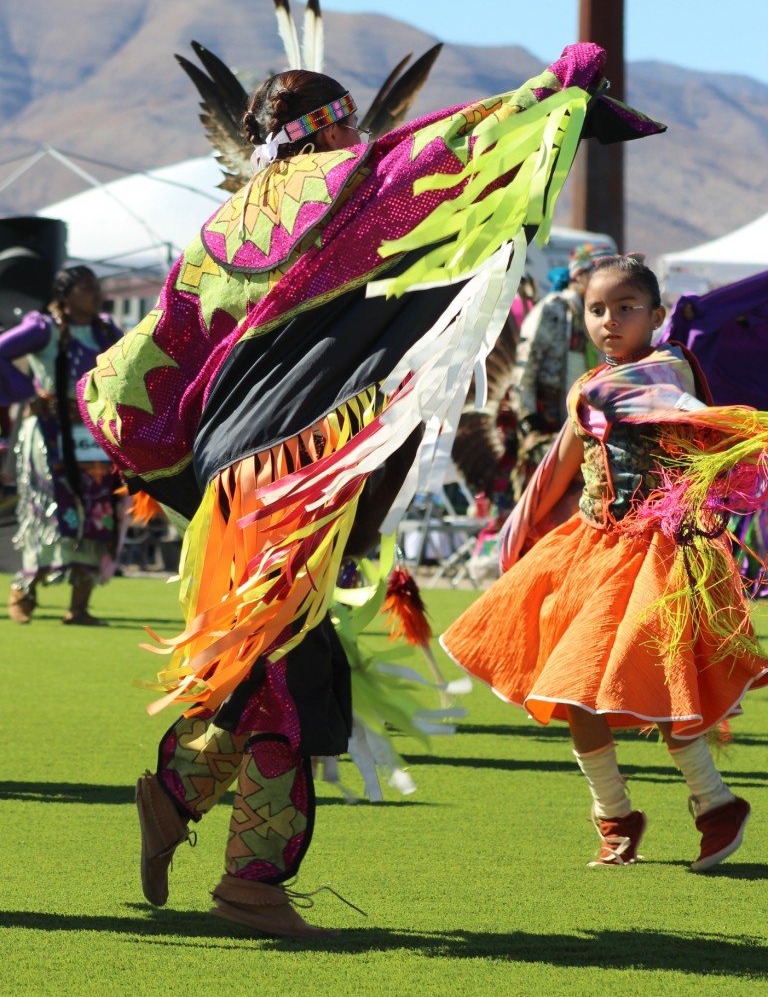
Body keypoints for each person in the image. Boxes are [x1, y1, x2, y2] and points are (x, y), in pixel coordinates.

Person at [78, 51, 665, 935]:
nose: (360, 135)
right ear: (328, 126)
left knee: (281, 669)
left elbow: (141, 368)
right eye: (349, 122)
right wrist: (554, 90)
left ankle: (177, 796)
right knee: (280, 677)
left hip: (240, 479)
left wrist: (178, 467)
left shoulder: (217, 236)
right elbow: (444, 150)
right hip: (296, 473)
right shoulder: (347, 182)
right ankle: (249, 881)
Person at [441, 254, 768, 871]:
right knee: (573, 689)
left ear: (657, 316)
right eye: (597, 310)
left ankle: (714, 803)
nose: (610, 320)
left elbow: (667, 406)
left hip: (664, 558)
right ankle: (615, 817)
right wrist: (519, 536)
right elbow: (557, 466)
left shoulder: (667, 372)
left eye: (626, 309)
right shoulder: (589, 389)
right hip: (591, 553)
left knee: (669, 686)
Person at [0, 266, 121, 625]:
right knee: (52, 506)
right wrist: (27, 393)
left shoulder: (107, 331)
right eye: (86, 288)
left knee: (97, 507)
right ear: (65, 296)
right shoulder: (43, 328)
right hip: (48, 432)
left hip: (91, 432)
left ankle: (79, 605)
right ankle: (25, 589)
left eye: (97, 287)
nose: (96, 294)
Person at [509, 243, 611, 498]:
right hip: (548, 420)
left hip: (582, 422)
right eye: (599, 274)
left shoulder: (598, 316)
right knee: (546, 496)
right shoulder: (554, 309)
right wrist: (528, 417)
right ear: (580, 276)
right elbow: (526, 365)